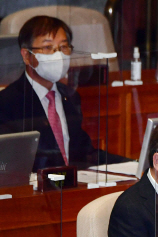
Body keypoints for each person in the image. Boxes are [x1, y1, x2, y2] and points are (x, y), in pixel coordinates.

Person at [0, 15, 127, 171]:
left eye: (64, 47)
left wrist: (132, 164)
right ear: (26, 56)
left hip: (71, 187)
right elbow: (8, 165)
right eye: (48, 48)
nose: (58, 55)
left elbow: (85, 153)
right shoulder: (7, 102)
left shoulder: (70, 97)